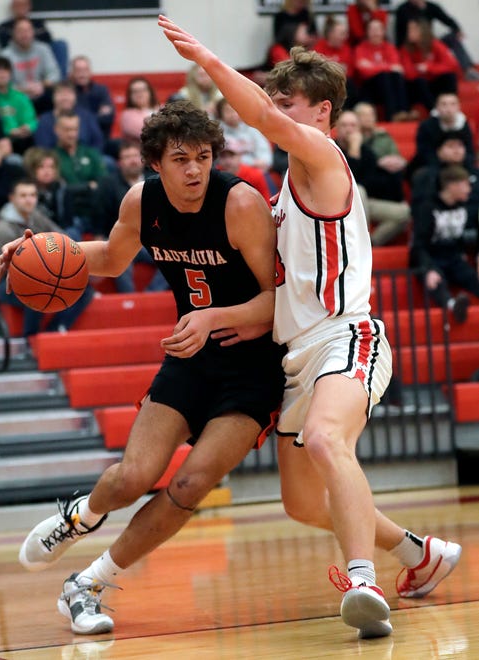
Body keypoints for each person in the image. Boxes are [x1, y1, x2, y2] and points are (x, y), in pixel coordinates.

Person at [159, 15, 462, 639]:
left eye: (285, 102)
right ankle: (418, 554)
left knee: (327, 441)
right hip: (295, 354)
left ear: (322, 112)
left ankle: (362, 578)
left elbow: (262, 121)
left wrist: (211, 63)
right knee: (301, 503)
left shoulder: (323, 157)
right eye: (272, 100)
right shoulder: (280, 192)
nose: (274, 112)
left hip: (348, 334)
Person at [0, 100, 286, 634]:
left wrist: (216, 316)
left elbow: (283, 299)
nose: (194, 169)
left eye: (202, 156)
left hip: (253, 366)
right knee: (132, 478)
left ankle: (89, 583)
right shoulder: (142, 201)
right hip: (191, 358)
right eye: (181, 158)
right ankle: (79, 518)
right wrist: (39, 250)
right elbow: (108, 259)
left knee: (192, 483)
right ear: (156, 162)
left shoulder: (240, 204)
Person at [0, 178, 94, 338]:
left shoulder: (36, 216)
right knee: (37, 288)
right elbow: (14, 269)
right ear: (12, 198)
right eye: (23, 195)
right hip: (6, 282)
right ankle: (29, 339)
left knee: (84, 290)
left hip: (41, 272)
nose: (29, 199)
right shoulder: (3, 228)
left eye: (32, 195)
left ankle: (54, 331)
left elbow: (63, 237)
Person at [93, 140, 167, 293]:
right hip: (122, 239)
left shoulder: (157, 179)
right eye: (127, 157)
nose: (132, 160)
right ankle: (130, 298)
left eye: (135, 156)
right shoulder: (108, 183)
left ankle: (151, 295)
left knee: (174, 257)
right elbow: (100, 213)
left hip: (152, 241)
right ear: (120, 162)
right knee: (120, 260)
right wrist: (99, 236)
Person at [409, 164, 479, 324]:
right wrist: (428, 269)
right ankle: (453, 305)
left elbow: (467, 238)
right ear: (452, 185)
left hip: (454, 257)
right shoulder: (427, 207)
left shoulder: (465, 207)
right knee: (435, 280)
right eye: (466, 184)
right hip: (430, 257)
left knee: (471, 277)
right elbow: (418, 245)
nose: (470, 189)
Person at [334, 110, 410, 246]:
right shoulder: (332, 148)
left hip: (364, 202)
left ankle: (370, 243)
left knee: (403, 212)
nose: (349, 129)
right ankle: (360, 242)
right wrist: (354, 151)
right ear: (337, 129)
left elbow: (371, 181)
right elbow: (349, 182)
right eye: (344, 125)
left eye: (353, 125)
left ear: (359, 129)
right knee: (359, 189)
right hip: (337, 202)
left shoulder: (367, 152)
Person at [394, 0, 479, 81]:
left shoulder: (431, 7)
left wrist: (457, 29)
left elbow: (446, 19)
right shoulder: (402, 9)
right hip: (412, 45)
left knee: (452, 38)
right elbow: (399, 33)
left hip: (428, 42)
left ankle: (468, 70)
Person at [52, 110, 106, 236]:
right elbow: (61, 189)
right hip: (69, 217)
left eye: (74, 129)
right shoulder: (52, 157)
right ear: (56, 130)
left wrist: (75, 189)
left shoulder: (90, 153)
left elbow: (103, 183)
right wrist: (88, 186)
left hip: (94, 213)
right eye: (66, 130)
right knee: (70, 235)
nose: (71, 134)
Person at [408, 92, 476, 181]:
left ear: (459, 107)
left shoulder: (464, 125)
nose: (448, 109)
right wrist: (442, 157)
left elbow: (470, 151)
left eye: (453, 104)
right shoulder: (426, 126)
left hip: (460, 165)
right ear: (437, 107)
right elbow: (423, 151)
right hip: (432, 164)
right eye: (444, 104)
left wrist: (458, 157)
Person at [354, 18, 412, 122]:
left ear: (383, 32)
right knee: (384, 76)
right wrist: (386, 67)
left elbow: (398, 68)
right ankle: (392, 115)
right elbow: (363, 70)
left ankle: (402, 111)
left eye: (378, 29)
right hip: (370, 87)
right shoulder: (361, 48)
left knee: (396, 77)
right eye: (372, 29)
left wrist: (372, 66)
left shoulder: (389, 47)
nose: (375, 32)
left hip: (388, 84)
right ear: (367, 32)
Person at [1, 17, 61, 115]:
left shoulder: (43, 49)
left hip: (42, 93)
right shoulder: (5, 56)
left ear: (33, 32)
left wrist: (41, 84)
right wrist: (24, 89)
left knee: (56, 96)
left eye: (28, 30)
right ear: (14, 34)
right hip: (18, 97)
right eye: (20, 31)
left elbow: (55, 74)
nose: (25, 35)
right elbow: (3, 85)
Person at [399, 18, 460, 113]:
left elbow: (452, 65)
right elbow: (408, 73)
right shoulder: (406, 49)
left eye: (413, 29)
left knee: (449, 76)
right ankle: (434, 111)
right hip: (417, 88)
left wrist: (428, 68)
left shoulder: (435, 44)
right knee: (420, 82)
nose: (410, 32)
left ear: (422, 30)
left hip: (433, 82)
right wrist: (421, 70)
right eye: (409, 29)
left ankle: (452, 107)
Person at [0, 55, 37, 156]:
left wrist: (28, 127)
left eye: (5, 69)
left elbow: (31, 118)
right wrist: (9, 131)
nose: (2, 73)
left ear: (10, 74)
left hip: (22, 139)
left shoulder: (19, 96)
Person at [22, 146, 76, 238]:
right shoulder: (26, 191)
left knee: (73, 232)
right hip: (36, 233)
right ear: (32, 169)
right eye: (41, 167)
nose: (47, 171)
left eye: (51, 167)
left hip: (60, 231)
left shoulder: (62, 188)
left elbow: (67, 221)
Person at [34, 81, 105, 151]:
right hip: (55, 159)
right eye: (60, 93)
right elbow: (43, 147)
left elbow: (98, 142)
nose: (65, 98)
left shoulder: (87, 116)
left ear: (75, 96)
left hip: (87, 158)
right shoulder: (44, 120)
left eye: (69, 93)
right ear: (53, 97)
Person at [215, 97, 273, 173]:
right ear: (220, 114)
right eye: (228, 111)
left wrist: (261, 165)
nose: (233, 114)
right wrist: (251, 163)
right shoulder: (217, 132)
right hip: (228, 172)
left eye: (236, 110)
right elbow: (221, 160)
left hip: (257, 171)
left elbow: (265, 154)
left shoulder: (252, 128)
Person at [313, 16, 359, 110]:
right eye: (342, 34)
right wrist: (337, 68)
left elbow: (349, 72)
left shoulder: (346, 49)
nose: (345, 37)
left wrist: (330, 67)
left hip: (343, 83)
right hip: (324, 84)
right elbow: (316, 70)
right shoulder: (319, 48)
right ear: (331, 34)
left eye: (346, 34)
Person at [216, 137, 272, 205]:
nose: (228, 161)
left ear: (240, 156)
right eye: (223, 156)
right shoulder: (214, 175)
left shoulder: (255, 175)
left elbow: (266, 203)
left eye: (232, 155)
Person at [119, 76, 161, 143]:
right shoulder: (127, 115)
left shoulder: (162, 108)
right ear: (130, 95)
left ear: (150, 91)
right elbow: (146, 133)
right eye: (135, 91)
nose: (139, 94)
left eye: (143, 90)